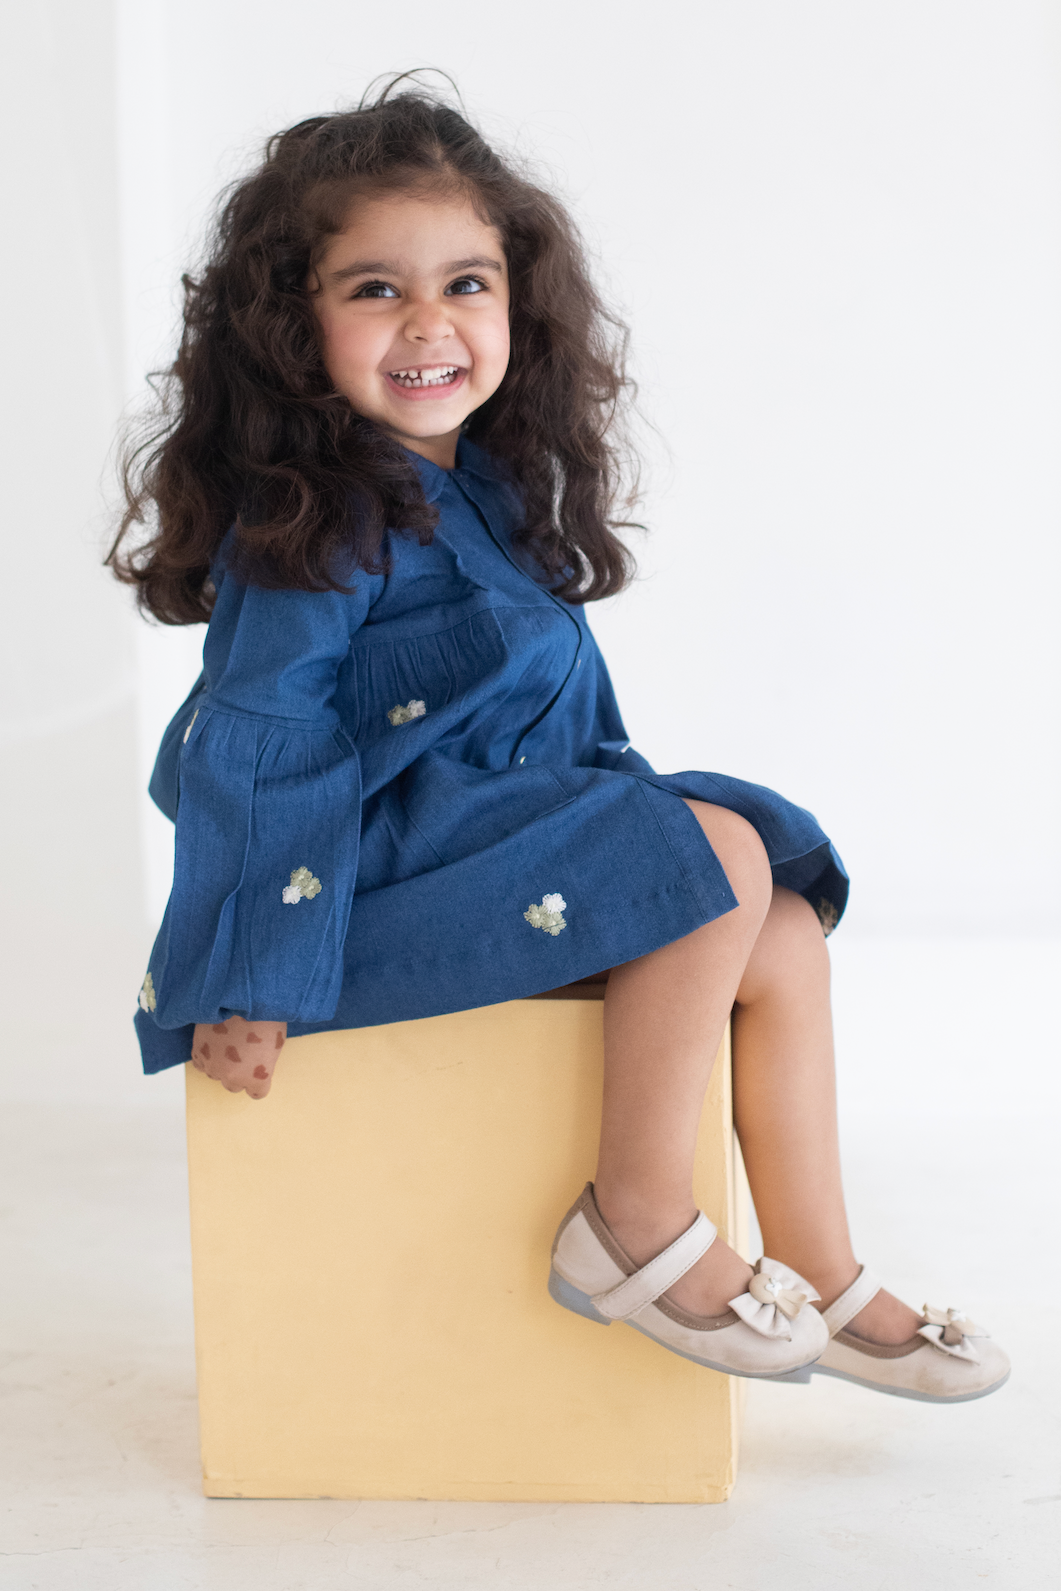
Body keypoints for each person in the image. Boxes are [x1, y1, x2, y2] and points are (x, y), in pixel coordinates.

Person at [111, 85, 1007, 1403]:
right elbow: (256, 748)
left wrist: (631, 846)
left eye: (465, 282)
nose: (429, 323)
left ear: (515, 308)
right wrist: (248, 975)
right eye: (373, 289)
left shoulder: (493, 488)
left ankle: (820, 1261)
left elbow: (560, 723)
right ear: (293, 331)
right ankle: (633, 1216)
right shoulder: (316, 524)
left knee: (778, 924)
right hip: (358, 884)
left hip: (489, 852)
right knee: (703, 852)